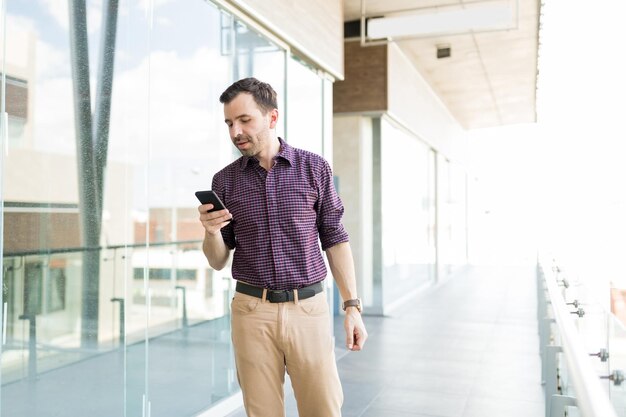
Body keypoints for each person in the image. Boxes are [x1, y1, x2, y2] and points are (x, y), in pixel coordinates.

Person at [198, 77, 367, 417]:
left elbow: (334, 237)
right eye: (230, 123)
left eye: (245, 120)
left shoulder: (314, 168)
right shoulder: (225, 181)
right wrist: (211, 232)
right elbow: (218, 261)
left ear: (272, 118)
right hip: (251, 312)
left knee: (323, 409)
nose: (235, 131)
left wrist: (352, 306)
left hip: (308, 310)